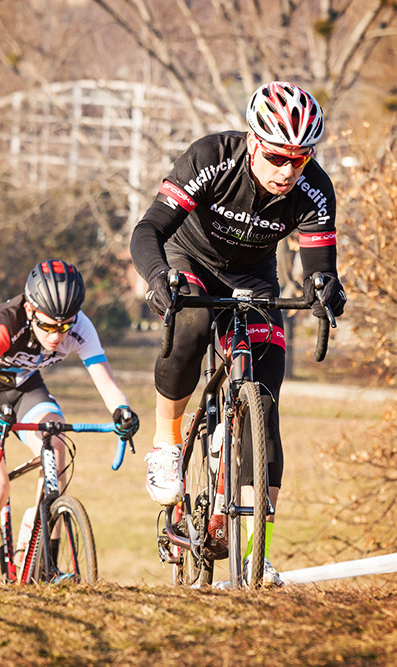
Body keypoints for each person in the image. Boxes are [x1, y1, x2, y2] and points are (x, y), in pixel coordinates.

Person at [130, 81, 347, 586]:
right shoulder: (211, 157)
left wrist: (325, 288)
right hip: (189, 259)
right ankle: (166, 441)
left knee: (266, 403)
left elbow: (320, 263)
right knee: (191, 322)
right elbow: (149, 231)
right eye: (276, 157)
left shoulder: (314, 188)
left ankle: (256, 549)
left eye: (300, 158)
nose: (287, 171)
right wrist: (160, 278)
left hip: (253, 277)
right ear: (253, 141)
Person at [0, 259, 140, 581]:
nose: (56, 336)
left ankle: (43, 555)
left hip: (25, 388)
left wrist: (122, 411)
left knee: (56, 443)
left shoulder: (80, 326)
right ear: (30, 309)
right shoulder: (5, 325)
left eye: (64, 326)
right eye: (48, 326)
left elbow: (106, 382)